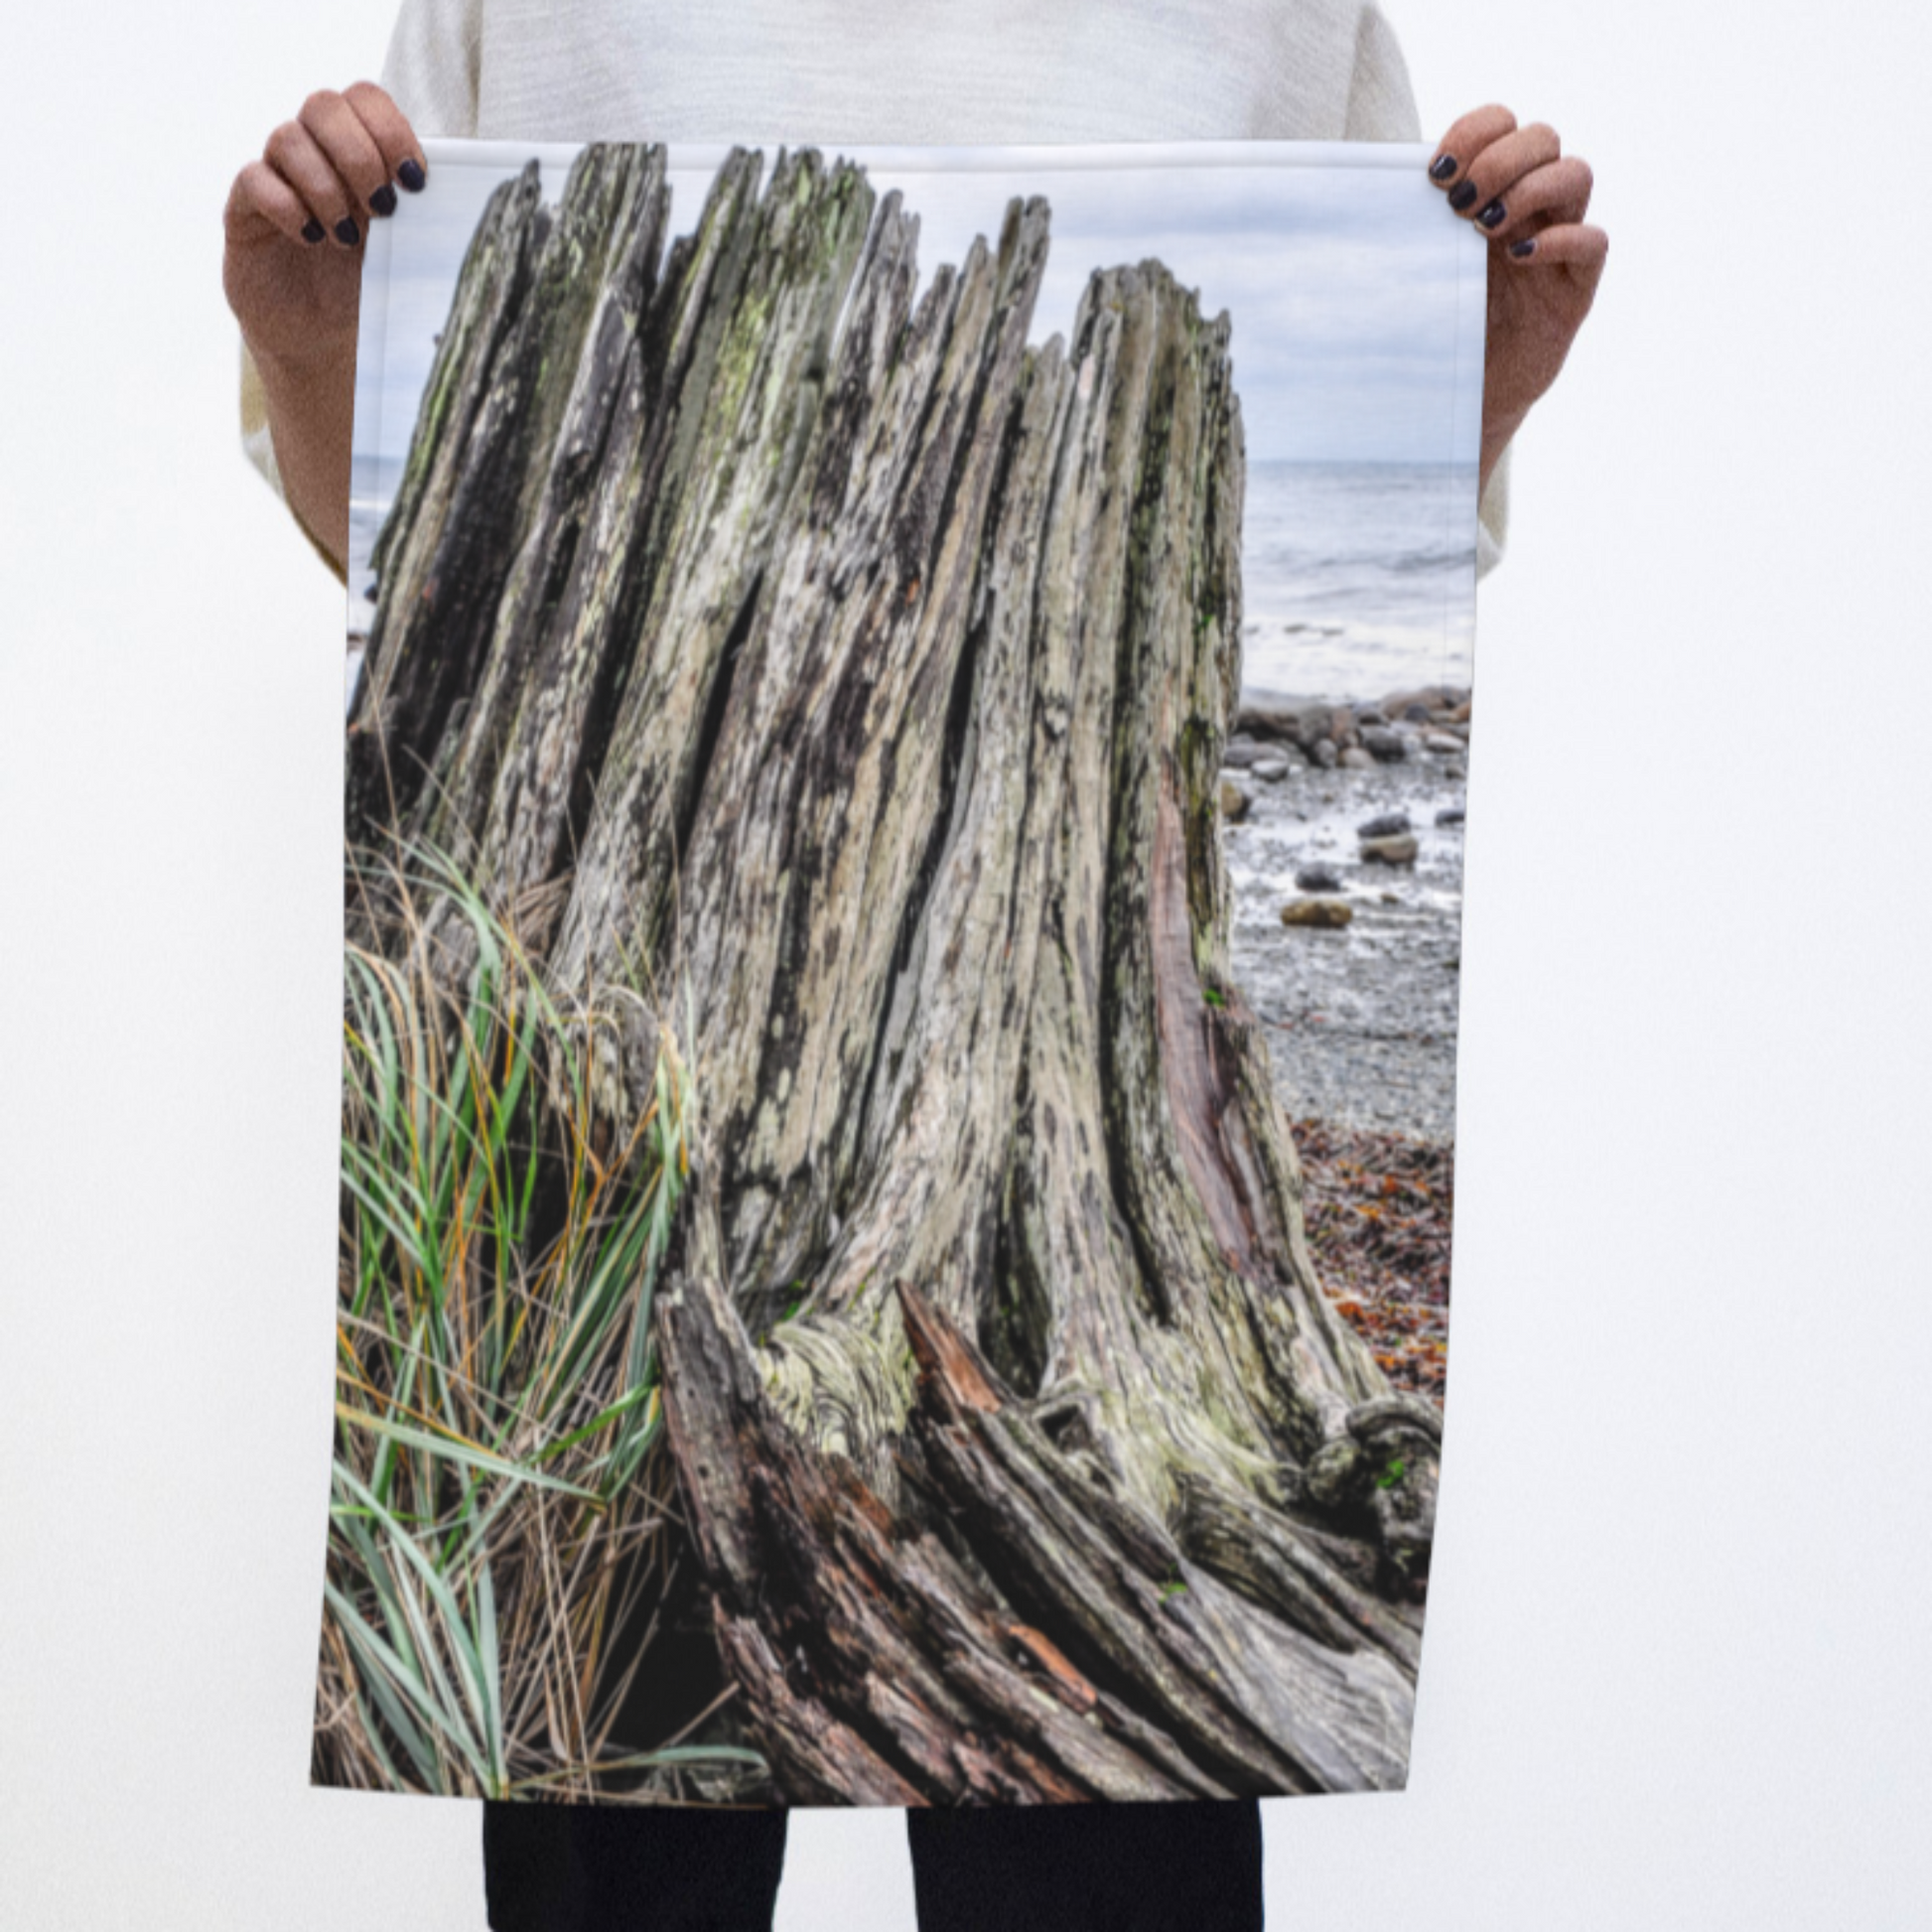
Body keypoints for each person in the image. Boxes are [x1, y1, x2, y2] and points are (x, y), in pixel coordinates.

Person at [226, 5, 1605, 1927]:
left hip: (1041, 1079)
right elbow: (391, 556)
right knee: (615, 1807)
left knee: (1108, 1857)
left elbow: (1256, 502)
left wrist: (1493, 370)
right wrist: (306, 339)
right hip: (596, 1044)